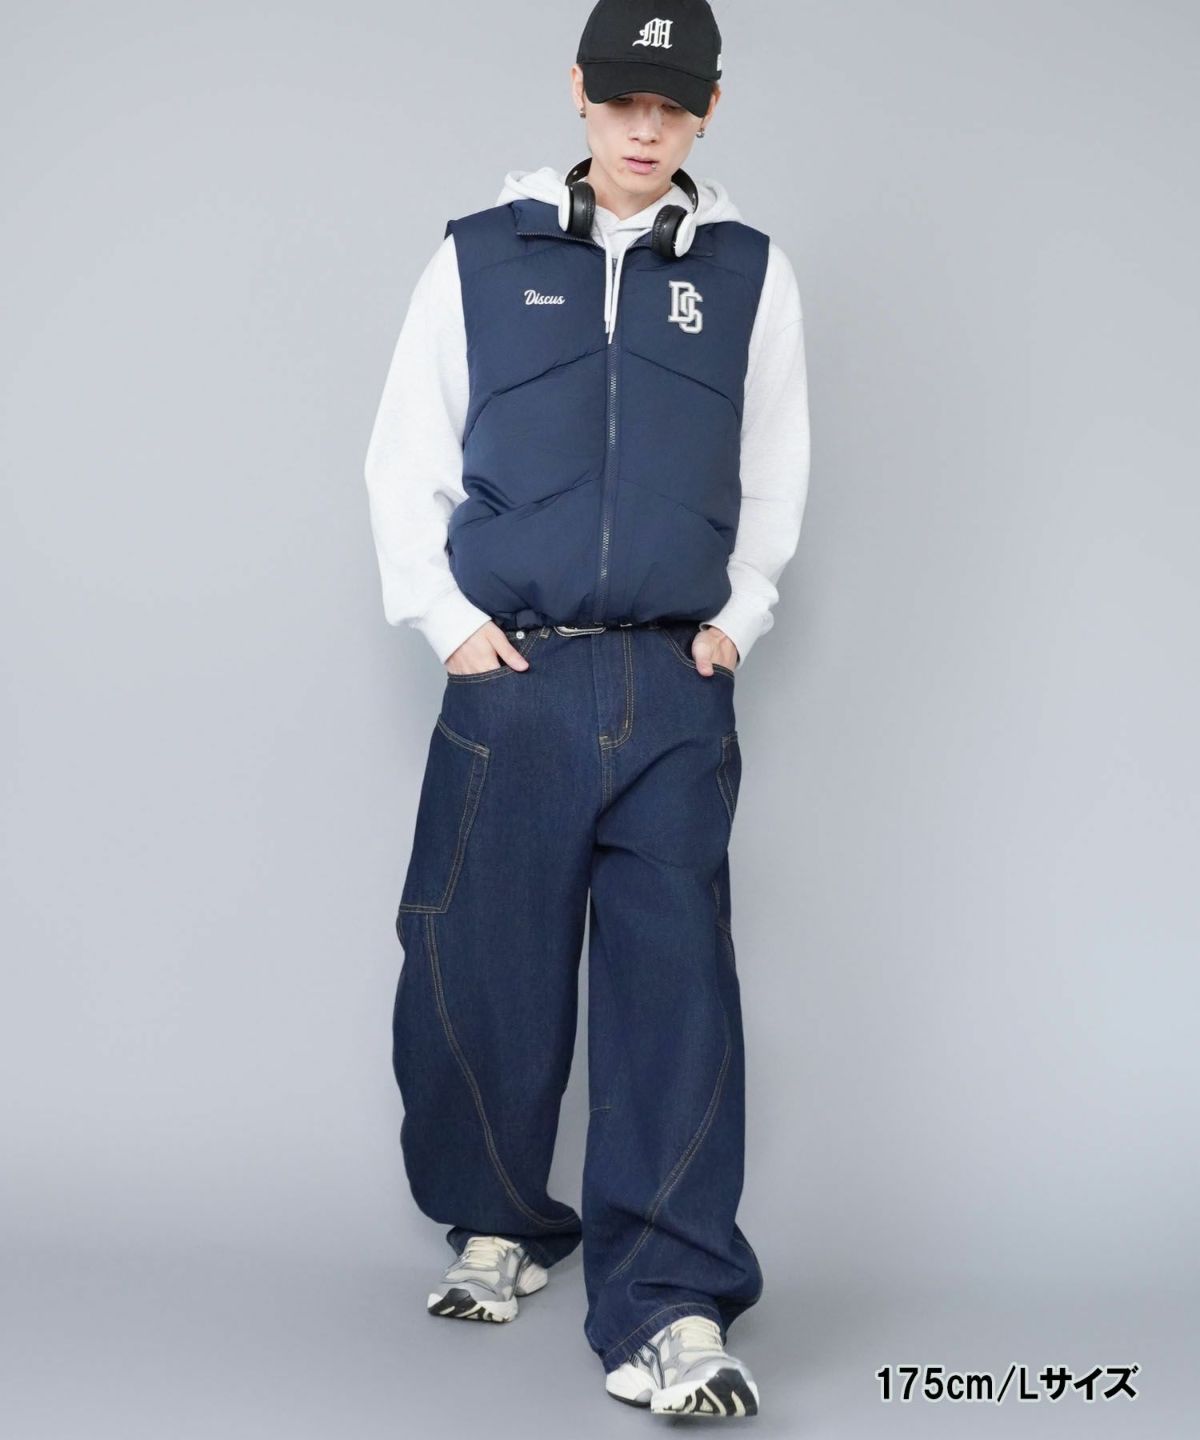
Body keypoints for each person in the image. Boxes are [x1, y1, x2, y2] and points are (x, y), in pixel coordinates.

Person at [363, 0, 810, 1417]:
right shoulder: (480, 256)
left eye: (671, 107)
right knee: (477, 973)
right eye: (622, 100)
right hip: (519, 674)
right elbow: (406, 454)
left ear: (708, 111)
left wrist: (740, 619)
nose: (643, 129)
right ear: (578, 92)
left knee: (675, 995)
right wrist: (447, 623)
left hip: (674, 682)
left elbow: (775, 462)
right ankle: (502, 1219)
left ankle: (671, 1305)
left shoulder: (747, 273)